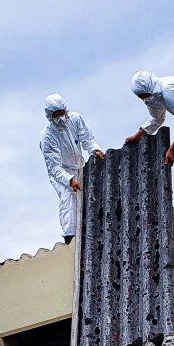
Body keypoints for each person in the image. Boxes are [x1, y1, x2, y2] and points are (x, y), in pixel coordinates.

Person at [39, 93, 106, 244]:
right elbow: (54, 167)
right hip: (62, 173)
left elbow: (87, 137)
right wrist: (69, 180)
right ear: (50, 116)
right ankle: (70, 238)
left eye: (62, 113)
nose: (61, 117)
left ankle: (88, 232)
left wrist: (95, 150)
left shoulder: (75, 119)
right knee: (68, 200)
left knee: (86, 199)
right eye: (56, 115)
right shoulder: (47, 136)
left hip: (79, 167)